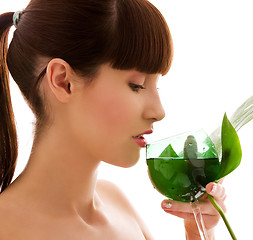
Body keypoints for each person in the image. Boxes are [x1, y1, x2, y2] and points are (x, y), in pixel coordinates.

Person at [0, 0, 227, 239]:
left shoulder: (116, 203)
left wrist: (200, 231)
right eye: (137, 85)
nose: (159, 111)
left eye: (156, 87)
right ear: (63, 81)